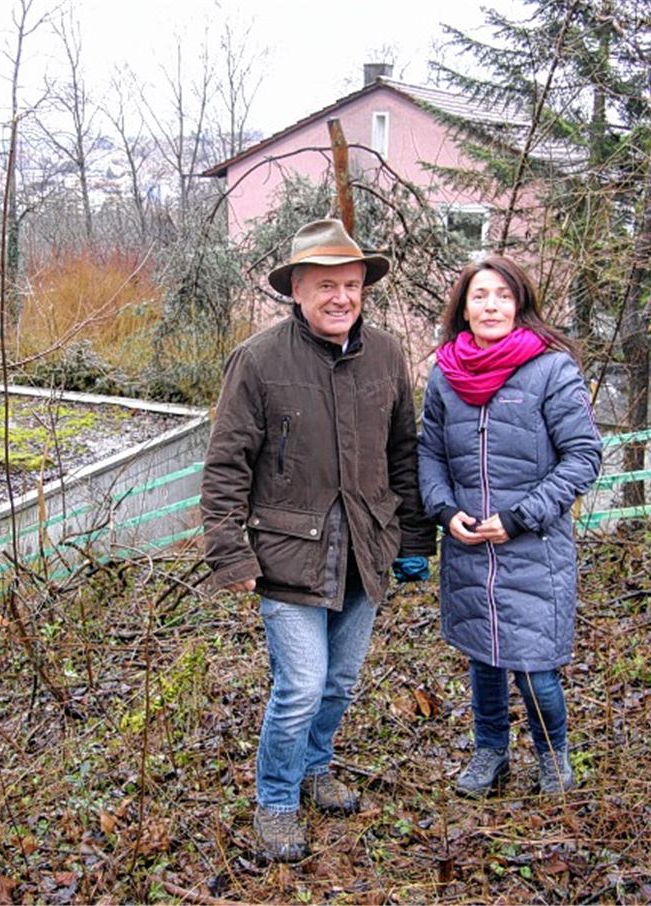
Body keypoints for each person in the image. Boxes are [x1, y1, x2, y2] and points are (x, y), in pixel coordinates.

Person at [201, 218, 435, 862]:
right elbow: (226, 465)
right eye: (326, 284)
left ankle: (315, 767)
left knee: (340, 681)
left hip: (367, 548)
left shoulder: (387, 355)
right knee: (301, 684)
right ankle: (275, 801)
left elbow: (404, 453)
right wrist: (230, 552)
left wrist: (414, 537)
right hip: (288, 554)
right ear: (297, 291)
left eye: (352, 285)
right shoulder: (259, 360)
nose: (341, 297)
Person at [417, 255, 602, 797]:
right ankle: (490, 752)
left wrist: (522, 516)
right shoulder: (445, 375)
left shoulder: (551, 368)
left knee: (535, 665)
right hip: (469, 546)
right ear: (463, 308)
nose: (491, 305)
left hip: (533, 546)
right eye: (480, 296)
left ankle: (553, 758)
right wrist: (447, 513)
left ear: (519, 303)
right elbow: (428, 454)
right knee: (484, 656)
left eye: (502, 295)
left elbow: (583, 456)